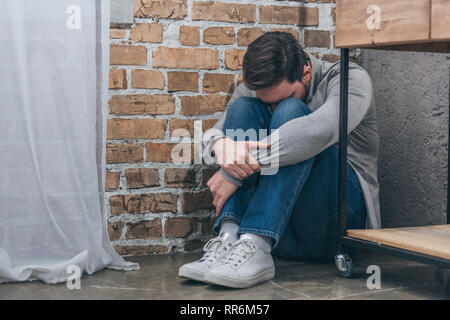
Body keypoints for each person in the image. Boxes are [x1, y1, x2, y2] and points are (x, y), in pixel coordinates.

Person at [178, 32, 380, 289]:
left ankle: (258, 239)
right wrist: (221, 145)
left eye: (283, 96)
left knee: (291, 113)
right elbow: (215, 134)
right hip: (282, 230)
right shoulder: (257, 88)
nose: (272, 108)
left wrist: (231, 173)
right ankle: (232, 239)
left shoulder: (349, 79)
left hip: (339, 227)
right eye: (267, 103)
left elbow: (316, 132)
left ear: (306, 72)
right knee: (243, 109)